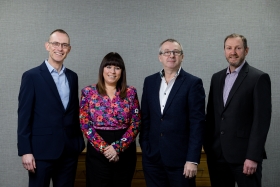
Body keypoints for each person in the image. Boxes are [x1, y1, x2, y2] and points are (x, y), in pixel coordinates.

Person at [17, 29, 85, 187]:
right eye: (55, 43)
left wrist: (78, 142)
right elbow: (24, 116)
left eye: (64, 45)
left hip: (69, 151)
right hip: (41, 151)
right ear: (47, 46)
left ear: (69, 49)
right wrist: (25, 150)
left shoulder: (72, 77)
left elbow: (72, 112)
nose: (59, 48)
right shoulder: (31, 76)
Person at [204, 33, 271, 187]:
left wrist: (253, 157)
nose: (233, 52)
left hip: (245, 157)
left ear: (246, 50)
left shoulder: (258, 78)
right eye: (229, 48)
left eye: (237, 48)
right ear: (224, 51)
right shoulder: (217, 78)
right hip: (217, 155)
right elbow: (212, 116)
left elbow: (262, 121)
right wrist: (208, 146)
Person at [139, 39, 205, 187]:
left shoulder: (193, 83)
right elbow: (146, 118)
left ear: (182, 56)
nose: (171, 55)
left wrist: (192, 159)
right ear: (160, 57)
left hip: (181, 161)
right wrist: (145, 146)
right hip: (153, 159)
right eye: (166, 52)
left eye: (176, 52)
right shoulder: (150, 82)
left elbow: (197, 123)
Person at [79, 52, 141, 187]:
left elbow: (136, 123)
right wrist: (105, 148)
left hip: (125, 151)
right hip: (97, 151)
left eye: (117, 68)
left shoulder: (131, 92)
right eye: (108, 66)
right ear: (102, 69)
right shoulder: (88, 92)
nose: (112, 71)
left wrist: (117, 148)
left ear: (122, 72)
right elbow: (84, 123)